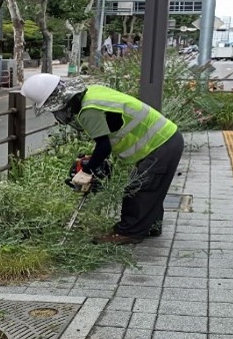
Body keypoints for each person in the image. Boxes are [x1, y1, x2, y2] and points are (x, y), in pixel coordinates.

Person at [20, 73, 184, 245]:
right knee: (151, 188)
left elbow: (104, 146)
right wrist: (95, 160)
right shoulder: (92, 93)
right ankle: (150, 225)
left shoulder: (88, 111)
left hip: (160, 144)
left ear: (61, 102)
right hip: (165, 139)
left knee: (138, 188)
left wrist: (87, 171)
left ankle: (128, 233)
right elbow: (110, 133)